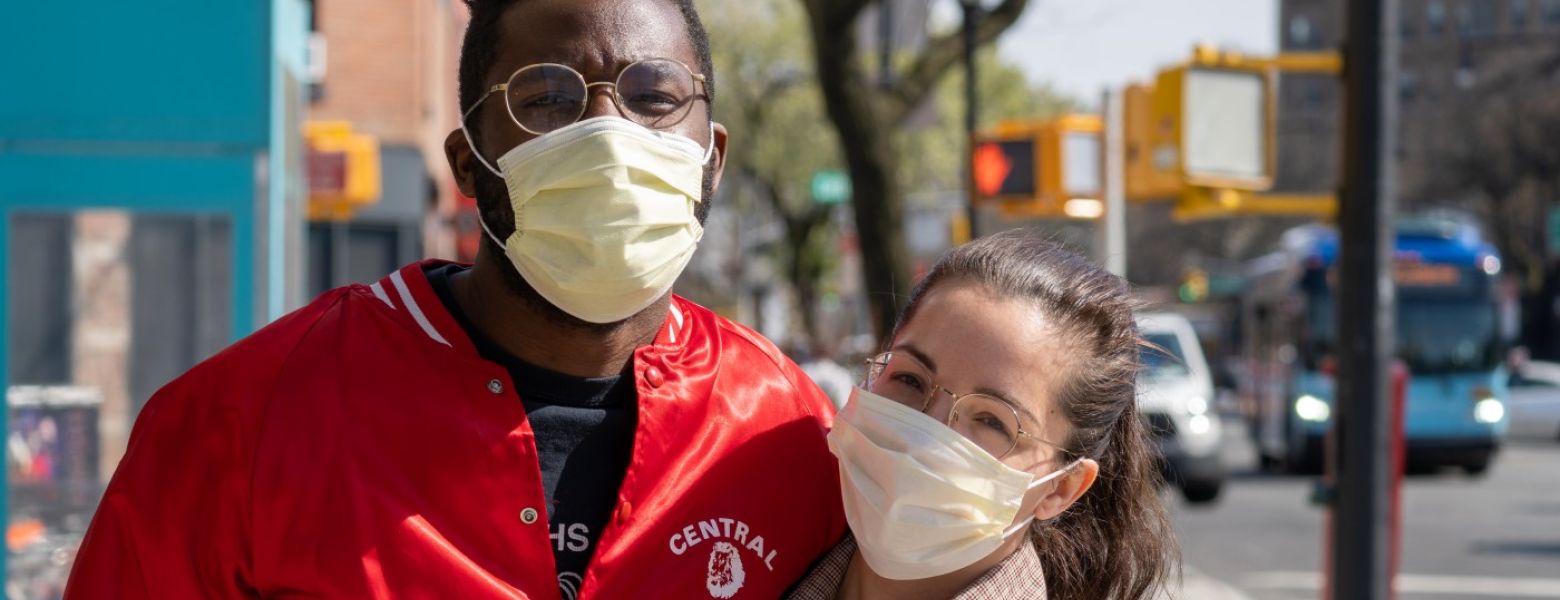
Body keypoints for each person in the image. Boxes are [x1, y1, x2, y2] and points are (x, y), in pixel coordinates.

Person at [64, 0, 846, 597]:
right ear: (469, 167)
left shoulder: (791, 431)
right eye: (546, 99)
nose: (611, 134)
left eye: (655, 96)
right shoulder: (241, 424)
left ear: (711, 159)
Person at [788, 231, 1178, 600]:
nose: (926, 435)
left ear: (1062, 489)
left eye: (993, 421)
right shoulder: (761, 547)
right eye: (909, 378)